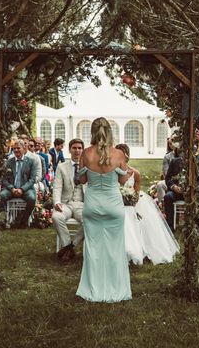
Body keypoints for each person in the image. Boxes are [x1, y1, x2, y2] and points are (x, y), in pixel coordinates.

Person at [76, 117, 131, 303]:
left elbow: (82, 180)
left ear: (92, 132)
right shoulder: (119, 154)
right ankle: (116, 288)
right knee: (115, 249)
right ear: (110, 132)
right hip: (113, 206)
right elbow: (122, 181)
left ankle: (93, 289)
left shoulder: (85, 153)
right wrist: (127, 173)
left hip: (92, 206)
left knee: (93, 249)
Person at [118, 144, 179, 266]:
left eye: (122, 154)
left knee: (128, 213)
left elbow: (135, 194)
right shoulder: (111, 173)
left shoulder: (135, 173)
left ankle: (135, 249)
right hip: (116, 202)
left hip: (132, 203)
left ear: (127, 156)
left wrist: (128, 200)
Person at [52, 138, 85, 262]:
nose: (77, 151)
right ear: (69, 150)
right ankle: (67, 246)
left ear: (83, 150)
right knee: (56, 217)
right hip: (65, 203)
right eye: (74, 148)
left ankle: (71, 246)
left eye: (79, 148)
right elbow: (57, 187)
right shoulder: (62, 167)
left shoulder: (88, 168)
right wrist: (56, 202)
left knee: (90, 220)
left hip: (81, 204)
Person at [0, 139, 40, 228]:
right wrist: (12, 188)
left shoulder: (31, 161)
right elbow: (4, 179)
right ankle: (3, 221)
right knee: (1, 196)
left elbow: (32, 179)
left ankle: (23, 221)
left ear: (24, 148)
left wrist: (22, 189)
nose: (16, 150)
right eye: (14, 149)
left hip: (26, 189)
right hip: (11, 189)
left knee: (32, 198)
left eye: (18, 148)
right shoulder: (9, 162)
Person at [161, 145, 184, 231]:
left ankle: (194, 225)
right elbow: (168, 178)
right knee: (168, 196)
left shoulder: (196, 163)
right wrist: (174, 187)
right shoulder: (174, 162)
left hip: (191, 192)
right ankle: (170, 225)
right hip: (176, 191)